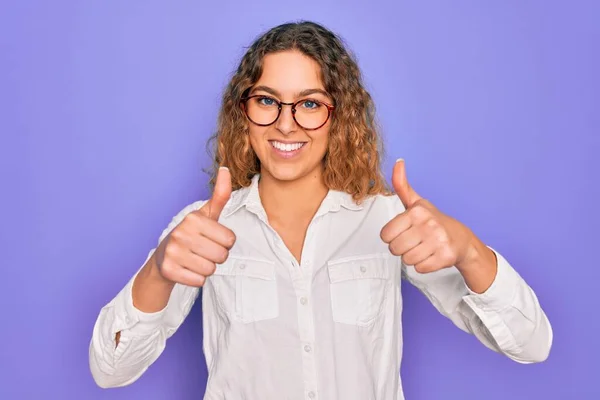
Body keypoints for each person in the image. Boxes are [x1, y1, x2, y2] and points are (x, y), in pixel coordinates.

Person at [89, 20, 552, 400]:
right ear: (243, 113)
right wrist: (158, 271)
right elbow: (110, 370)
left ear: (340, 117)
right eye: (267, 100)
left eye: (309, 104)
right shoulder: (202, 229)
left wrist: (470, 251)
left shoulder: (389, 222)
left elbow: (532, 345)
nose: (286, 123)